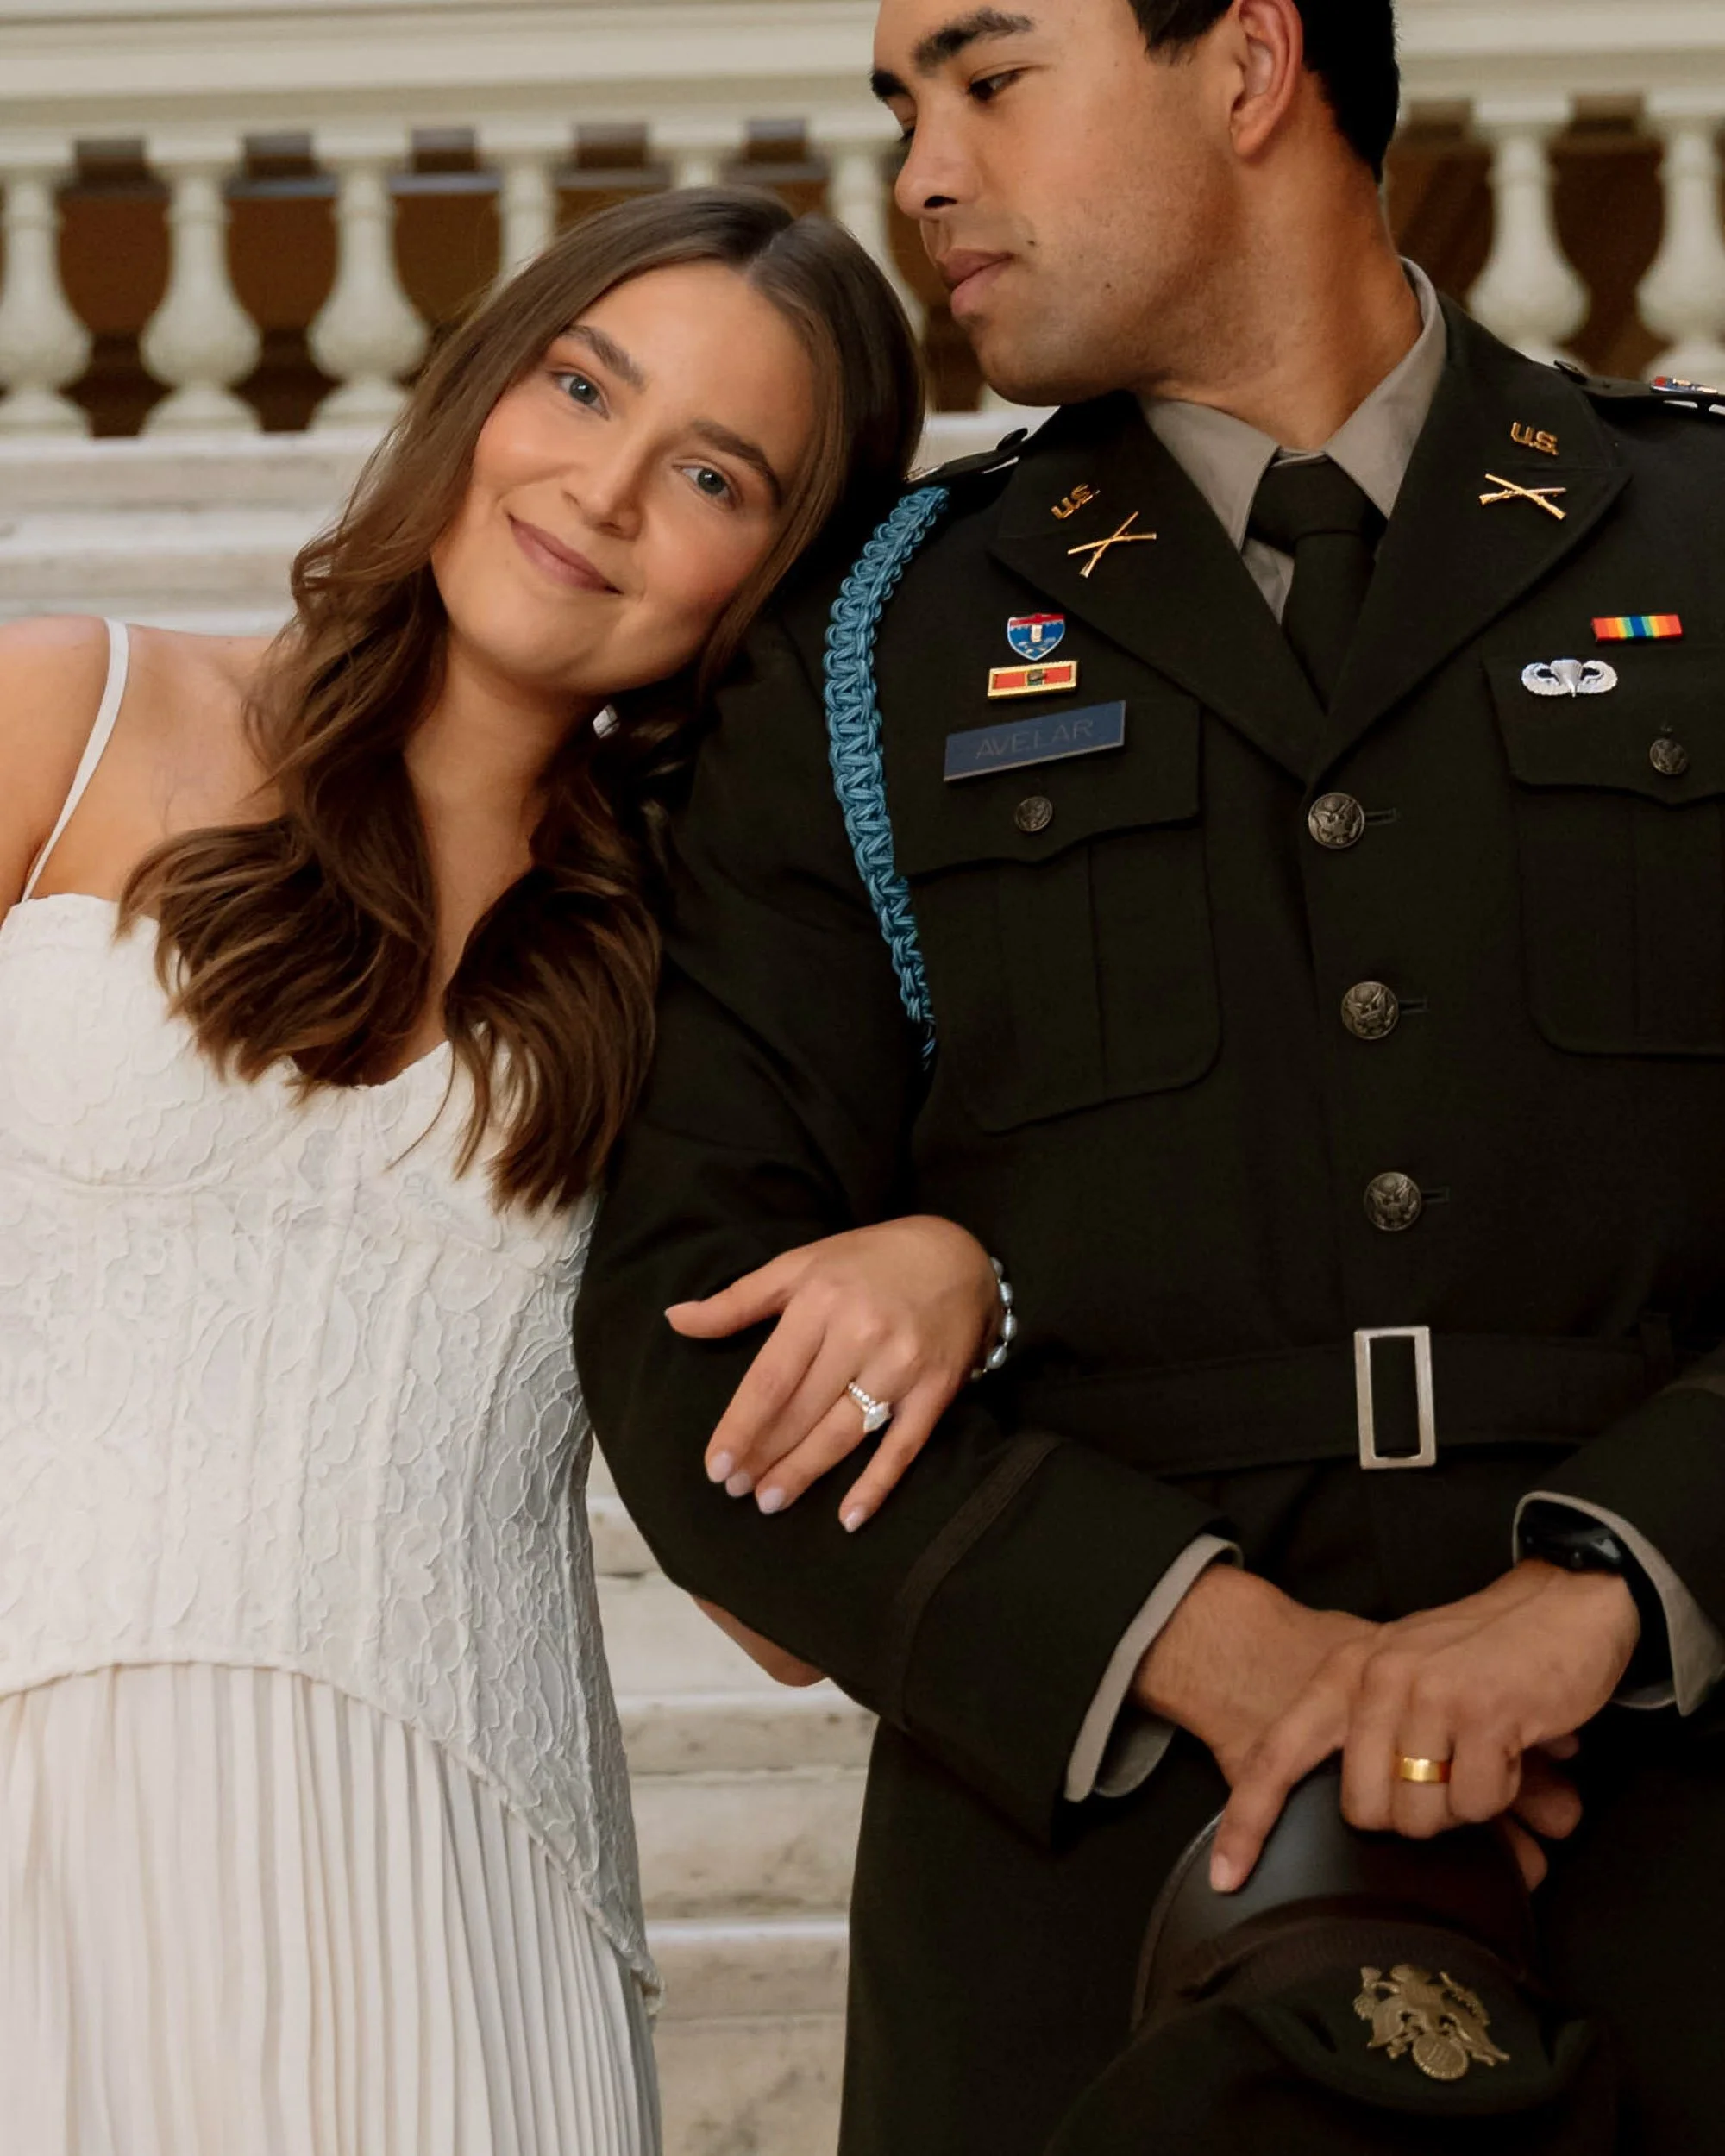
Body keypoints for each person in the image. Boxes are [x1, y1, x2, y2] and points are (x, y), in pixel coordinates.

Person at [574, 3, 1725, 2152]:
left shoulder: (1705, 541)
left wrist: (1609, 1586)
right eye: (904, 106)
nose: (920, 171)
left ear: (1250, 63)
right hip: (1087, 1891)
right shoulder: (862, 643)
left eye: (990, 81)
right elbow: (684, 1308)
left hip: (1676, 1831)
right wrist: (1195, 1638)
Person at [0, 189, 1007, 2154]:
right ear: (484, 380)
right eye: (579, 383)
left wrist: (955, 1257)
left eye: (712, 470)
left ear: (774, 569)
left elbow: (778, 1610)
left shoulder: (695, 964)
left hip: (452, 1892)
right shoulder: (68, 708)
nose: (605, 489)